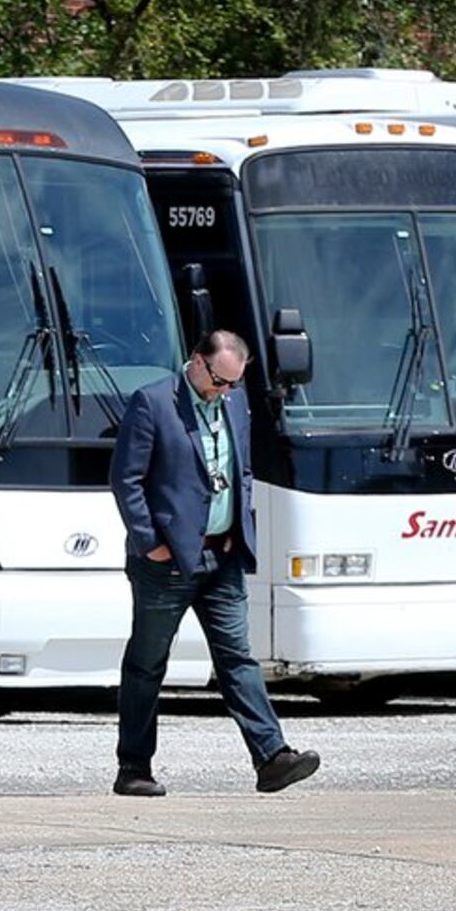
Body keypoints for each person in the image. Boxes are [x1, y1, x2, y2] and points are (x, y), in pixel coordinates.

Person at [108, 329, 320, 798]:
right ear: (198, 362)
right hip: (167, 562)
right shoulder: (154, 402)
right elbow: (127, 481)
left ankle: (271, 757)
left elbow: (240, 470)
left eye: (232, 384)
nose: (224, 391)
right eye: (219, 381)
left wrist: (240, 528)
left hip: (222, 554)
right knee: (147, 664)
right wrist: (150, 544)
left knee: (238, 659)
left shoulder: (235, 402)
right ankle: (134, 768)